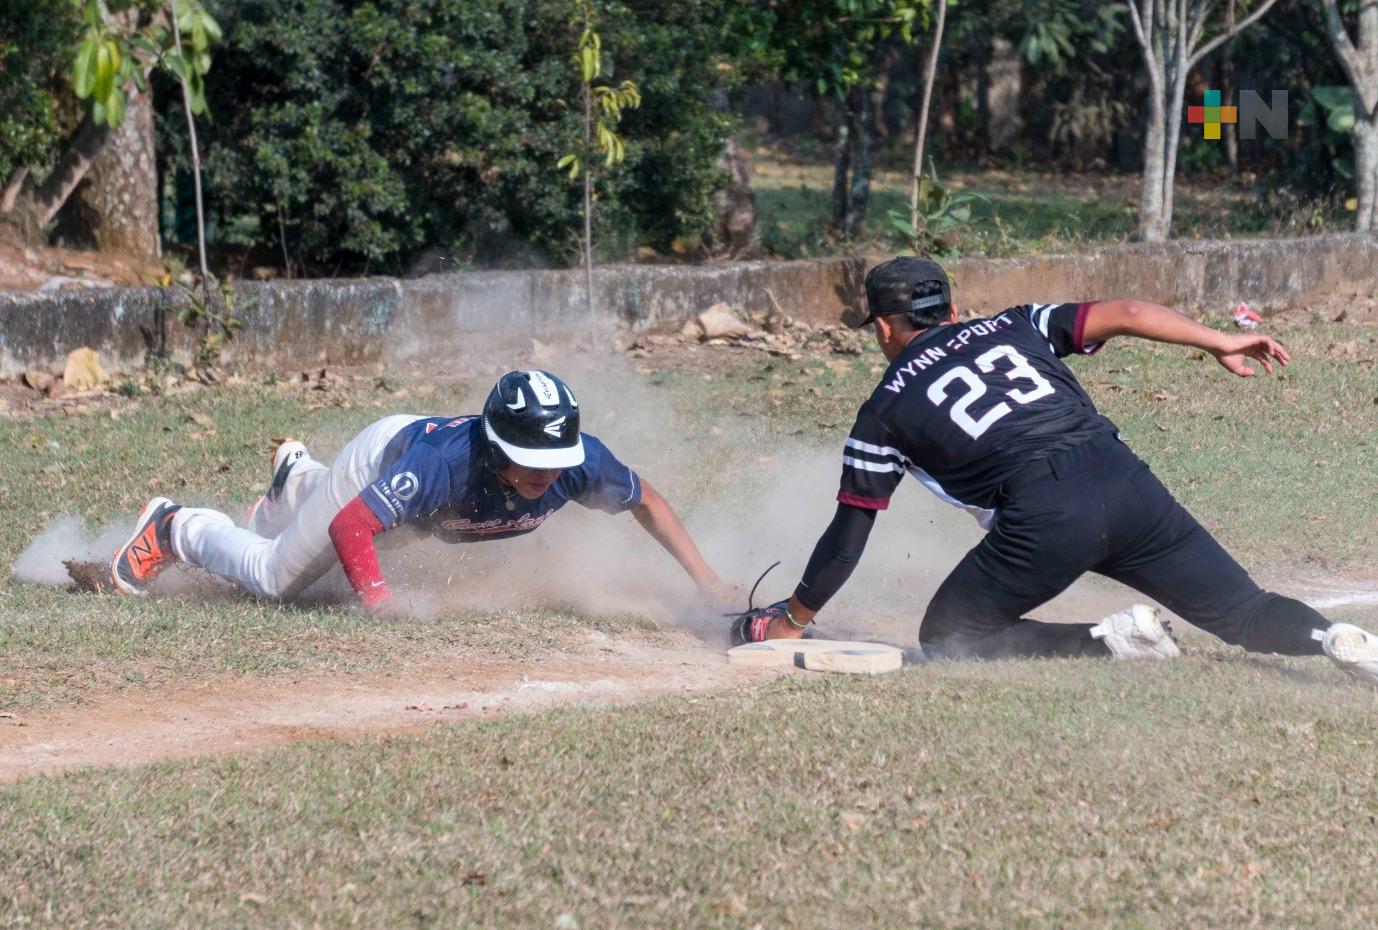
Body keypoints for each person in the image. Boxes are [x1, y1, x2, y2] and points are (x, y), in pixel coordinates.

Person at [732, 256, 1378, 684]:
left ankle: (1111, 640)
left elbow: (848, 538)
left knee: (951, 634)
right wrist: (1220, 339)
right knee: (1243, 610)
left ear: (881, 328)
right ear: (952, 310)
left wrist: (793, 619)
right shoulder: (1015, 325)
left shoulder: (884, 410)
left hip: (1047, 516)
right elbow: (1127, 313)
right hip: (1127, 482)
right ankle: (1334, 638)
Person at [112, 369, 733, 616]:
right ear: (496, 446)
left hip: (416, 489)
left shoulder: (580, 463)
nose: (547, 475)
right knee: (279, 579)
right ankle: (176, 526)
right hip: (383, 458)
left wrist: (706, 581)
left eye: (556, 461)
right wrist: (378, 601)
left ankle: (297, 478)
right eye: (530, 460)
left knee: (369, 531)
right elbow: (350, 525)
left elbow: (648, 502)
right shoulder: (444, 464)